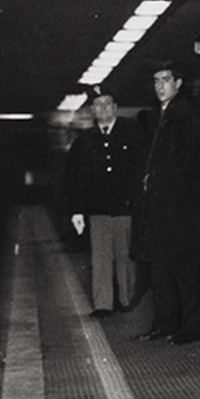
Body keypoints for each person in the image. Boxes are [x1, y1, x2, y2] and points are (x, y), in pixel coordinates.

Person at [136, 63, 200, 344]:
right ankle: (165, 323)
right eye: (156, 80)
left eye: (166, 80)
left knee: (184, 270)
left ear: (178, 83)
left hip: (182, 209)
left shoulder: (191, 116)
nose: (160, 86)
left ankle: (191, 326)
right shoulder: (160, 115)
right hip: (162, 208)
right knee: (161, 269)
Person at [65, 88, 144, 317]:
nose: (103, 109)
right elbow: (77, 177)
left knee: (126, 258)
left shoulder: (132, 132)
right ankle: (103, 305)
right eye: (98, 105)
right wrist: (77, 210)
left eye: (107, 104)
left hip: (125, 208)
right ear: (92, 110)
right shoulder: (85, 141)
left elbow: (140, 170)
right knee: (100, 260)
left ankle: (126, 300)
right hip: (98, 209)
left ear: (115, 107)